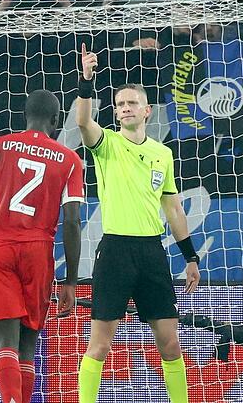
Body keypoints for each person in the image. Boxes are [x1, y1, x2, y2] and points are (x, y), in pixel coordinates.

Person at [75, 44, 200, 403]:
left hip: (151, 250)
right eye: (119, 104)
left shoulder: (163, 154)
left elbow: (173, 208)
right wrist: (87, 80)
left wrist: (190, 256)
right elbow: (84, 121)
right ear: (115, 113)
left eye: (131, 103)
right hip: (115, 250)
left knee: (171, 342)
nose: (125, 108)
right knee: (99, 345)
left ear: (146, 110)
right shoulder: (106, 144)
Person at [0, 89, 84, 403]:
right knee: (28, 348)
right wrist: (71, 281)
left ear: (25, 115)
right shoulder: (70, 160)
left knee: (5, 342)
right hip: (37, 253)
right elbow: (72, 223)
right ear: (57, 120)